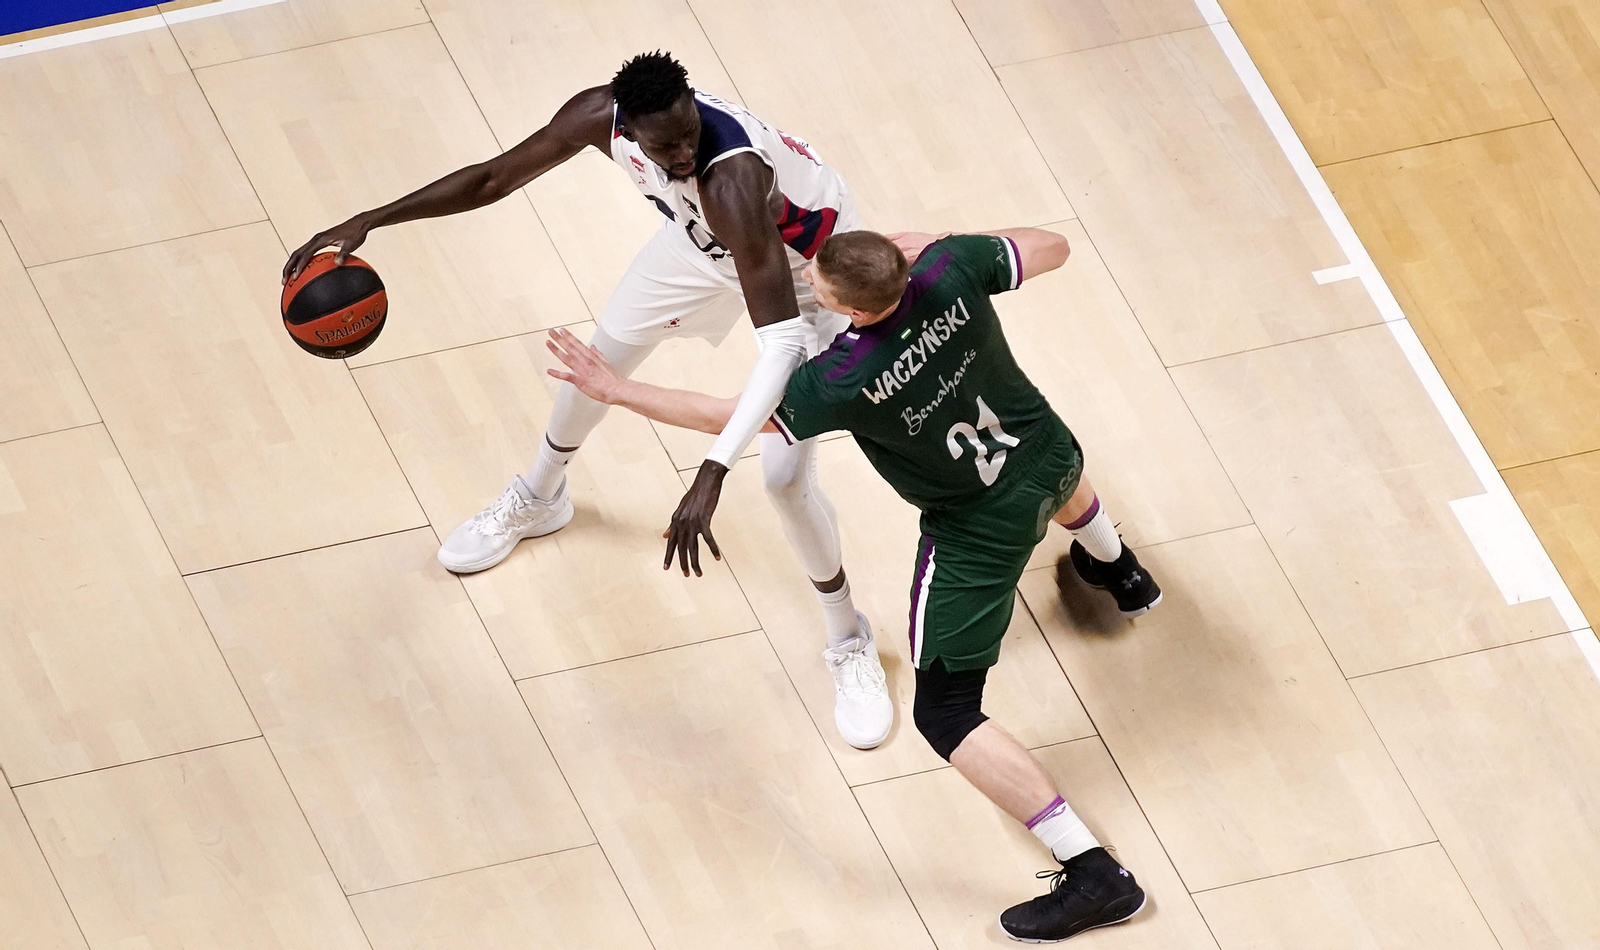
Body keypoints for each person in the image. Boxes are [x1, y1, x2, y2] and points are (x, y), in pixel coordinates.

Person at [544, 226, 1163, 941]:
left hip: (977, 534)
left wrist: (615, 388)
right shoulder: (952, 268)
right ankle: (1119, 568)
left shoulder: (842, 378)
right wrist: (936, 241)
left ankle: (1092, 873)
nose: (815, 290)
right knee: (1043, 472)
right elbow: (1053, 245)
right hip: (1051, 452)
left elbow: (735, 419)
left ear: (853, 311)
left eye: (823, 289)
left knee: (948, 714)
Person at [282, 51, 891, 750]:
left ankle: (848, 638)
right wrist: (370, 219)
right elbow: (491, 178)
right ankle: (540, 497)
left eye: (691, 132)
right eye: (668, 145)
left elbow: (781, 344)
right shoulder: (598, 117)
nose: (685, 150)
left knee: (784, 477)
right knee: (595, 362)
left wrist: (714, 468)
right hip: (701, 250)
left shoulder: (731, 178)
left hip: (808, 283)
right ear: (627, 130)